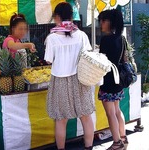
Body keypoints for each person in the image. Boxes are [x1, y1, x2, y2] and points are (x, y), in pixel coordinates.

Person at [44, 2, 95, 150]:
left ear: (58, 17)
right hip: (80, 79)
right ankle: (89, 147)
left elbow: (48, 59)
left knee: (61, 119)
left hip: (60, 80)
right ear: (72, 17)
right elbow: (88, 55)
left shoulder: (52, 38)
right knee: (86, 116)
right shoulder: (82, 35)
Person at [98, 9, 128, 150]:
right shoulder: (121, 38)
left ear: (110, 22)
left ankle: (117, 143)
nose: (101, 24)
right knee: (116, 111)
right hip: (118, 81)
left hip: (108, 80)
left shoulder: (105, 40)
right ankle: (123, 138)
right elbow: (124, 59)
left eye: (103, 21)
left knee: (111, 113)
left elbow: (101, 61)